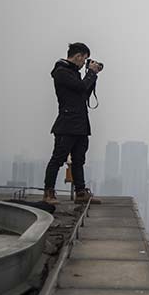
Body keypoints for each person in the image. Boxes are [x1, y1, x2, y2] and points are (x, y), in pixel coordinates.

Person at [42, 42, 102, 205]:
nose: (85, 63)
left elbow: (82, 94)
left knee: (79, 160)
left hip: (80, 125)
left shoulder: (73, 73)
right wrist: (90, 73)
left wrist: (93, 76)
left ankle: (80, 192)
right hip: (67, 124)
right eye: (84, 59)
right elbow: (80, 86)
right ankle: (49, 193)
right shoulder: (61, 72)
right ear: (78, 56)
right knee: (57, 159)